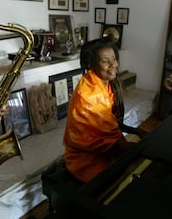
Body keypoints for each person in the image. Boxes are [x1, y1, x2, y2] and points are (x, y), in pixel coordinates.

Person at [63, 37, 148, 183]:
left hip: (105, 151)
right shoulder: (90, 94)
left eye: (114, 59)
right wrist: (145, 151)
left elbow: (110, 122)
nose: (114, 64)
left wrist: (136, 131)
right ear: (90, 64)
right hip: (86, 161)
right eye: (105, 61)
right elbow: (112, 142)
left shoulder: (102, 83)